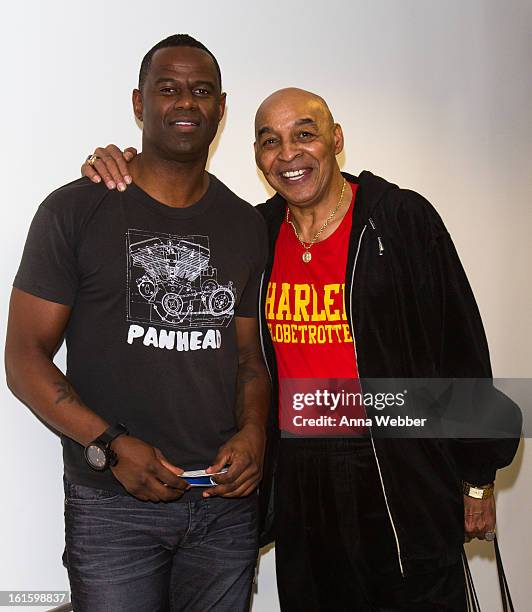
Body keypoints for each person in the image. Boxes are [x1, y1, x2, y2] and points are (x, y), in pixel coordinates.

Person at [81, 87, 520, 611]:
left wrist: (477, 476)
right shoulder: (255, 232)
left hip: (396, 471)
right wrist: (127, 165)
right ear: (258, 157)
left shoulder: (398, 220)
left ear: (336, 139)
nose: (288, 153)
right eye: (270, 141)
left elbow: (460, 345)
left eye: (304, 134)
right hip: (300, 476)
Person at [5, 34, 270, 612]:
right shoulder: (74, 210)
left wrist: (254, 433)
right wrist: (111, 446)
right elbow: (23, 361)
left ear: (221, 109)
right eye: (167, 89)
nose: (185, 103)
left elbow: (250, 358)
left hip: (223, 506)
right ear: (138, 102)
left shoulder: (246, 225)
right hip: (111, 506)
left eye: (201, 91)